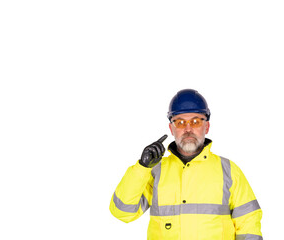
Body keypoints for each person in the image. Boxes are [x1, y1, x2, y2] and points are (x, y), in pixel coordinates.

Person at [109, 89, 263, 240]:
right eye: (180, 122)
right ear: (171, 128)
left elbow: (249, 224)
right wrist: (142, 167)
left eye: (195, 121)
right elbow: (122, 212)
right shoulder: (155, 171)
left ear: (207, 127)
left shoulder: (228, 170)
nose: (188, 129)